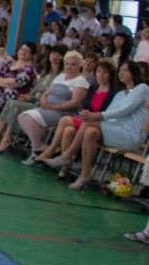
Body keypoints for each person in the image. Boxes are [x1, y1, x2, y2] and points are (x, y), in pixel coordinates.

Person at [45, 60, 149, 190]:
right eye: (120, 70)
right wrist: (92, 116)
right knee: (90, 132)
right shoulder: (120, 94)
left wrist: (96, 116)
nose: (121, 73)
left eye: (125, 70)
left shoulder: (142, 88)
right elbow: (110, 113)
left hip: (131, 135)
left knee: (90, 122)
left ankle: (67, 155)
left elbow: (124, 110)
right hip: (116, 131)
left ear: (134, 72)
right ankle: (85, 175)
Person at [34, 58, 119, 174]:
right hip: (86, 119)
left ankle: (50, 151)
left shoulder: (114, 92)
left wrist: (91, 116)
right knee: (68, 130)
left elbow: (110, 112)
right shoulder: (93, 88)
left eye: (105, 72)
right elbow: (85, 106)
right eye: (99, 71)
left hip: (98, 124)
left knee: (64, 120)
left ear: (111, 74)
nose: (101, 75)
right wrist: (85, 113)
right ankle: (64, 169)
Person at [0, 43, 66, 153]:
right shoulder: (46, 72)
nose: (55, 57)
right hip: (32, 98)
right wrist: (28, 96)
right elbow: (35, 89)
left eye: (59, 55)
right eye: (53, 53)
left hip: (41, 104)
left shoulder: (61, 75)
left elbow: (50, 94)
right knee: (10, 103)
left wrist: (31, 99)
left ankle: (6, 138)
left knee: (15, 105)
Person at [18, 51, 89, 163]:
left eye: (73, 64)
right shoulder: (60, 77)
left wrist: (52, 106)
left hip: (63, 113)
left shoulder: (80, 81)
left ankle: (36, 150)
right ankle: (40, 147)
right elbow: (46, 93)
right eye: (67, 63)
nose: (69, 67)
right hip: (48, 108)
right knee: (22, 117)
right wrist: (43, 100)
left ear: (79, 66)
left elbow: (74, 103)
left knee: (28, 117)